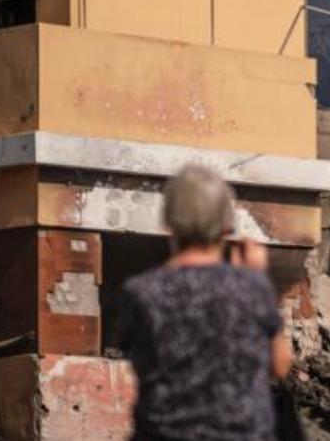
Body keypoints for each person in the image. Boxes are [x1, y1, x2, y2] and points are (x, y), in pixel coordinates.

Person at [118, 164, 295, 440]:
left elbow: (139, 364)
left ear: (169, 221)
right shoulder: (250, 286)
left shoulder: (142, 292)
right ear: (226, 225)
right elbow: (280, 365)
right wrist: (258, 280)